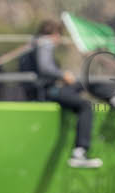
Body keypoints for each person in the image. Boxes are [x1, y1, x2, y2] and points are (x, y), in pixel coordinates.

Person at [29, 19, 103, 168]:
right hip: (50, 91)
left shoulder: (36, 43)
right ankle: (80, 152)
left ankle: (114, 98)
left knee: (86, 83)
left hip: (50, 88)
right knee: (85, 106)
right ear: (54, 34)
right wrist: (62, 75)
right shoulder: (45, 43)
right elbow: (45, 68)